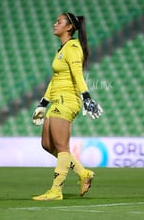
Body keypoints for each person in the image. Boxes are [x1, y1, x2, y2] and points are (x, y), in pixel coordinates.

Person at [31, 12, 103, 201]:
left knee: (62, 147)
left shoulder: (72, 47)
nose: (55, 24)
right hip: (56, 100)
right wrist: (42, 103)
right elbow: (55, 79)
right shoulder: (62, 49)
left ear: (69, 27)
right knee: (47, 144)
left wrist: (87, 96)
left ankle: (56, 191)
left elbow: (78, 75)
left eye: (59, 21)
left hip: (67, 100)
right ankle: (83, 173)